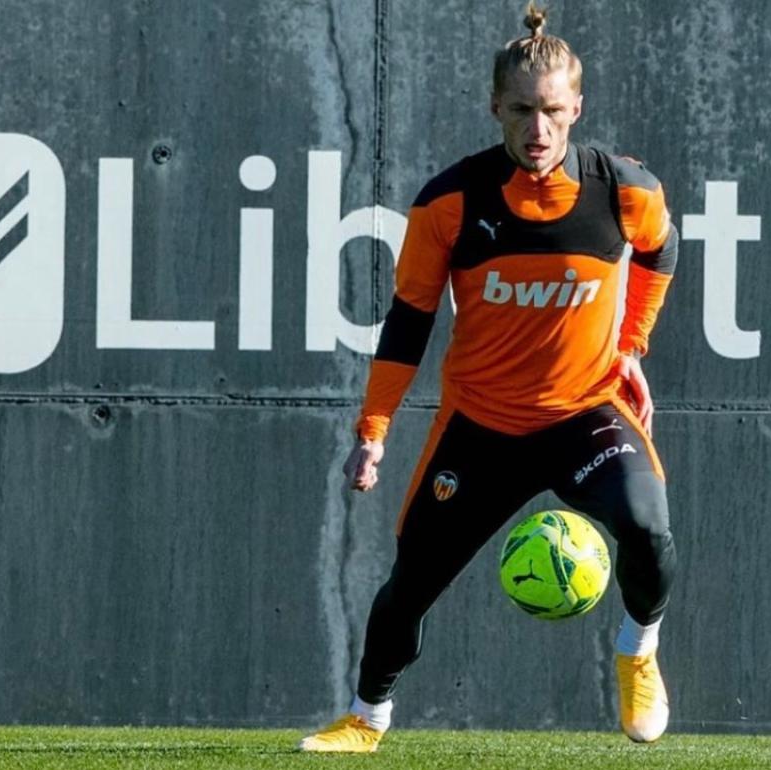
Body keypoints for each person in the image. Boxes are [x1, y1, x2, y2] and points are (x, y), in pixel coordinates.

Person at [299, 2, 679, 753]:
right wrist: (372, 432)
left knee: (648, 529)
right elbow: (408, 323)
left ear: (577, 109)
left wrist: (632, 346)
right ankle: (366, 719)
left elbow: (661, 254)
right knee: (409, 584)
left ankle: (638, 651)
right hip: (482, 427)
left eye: (552, 112)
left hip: (587, 414)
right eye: (521, 111)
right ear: (494, 108)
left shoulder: (625, 189)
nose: (538, 130)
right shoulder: (450, 203)